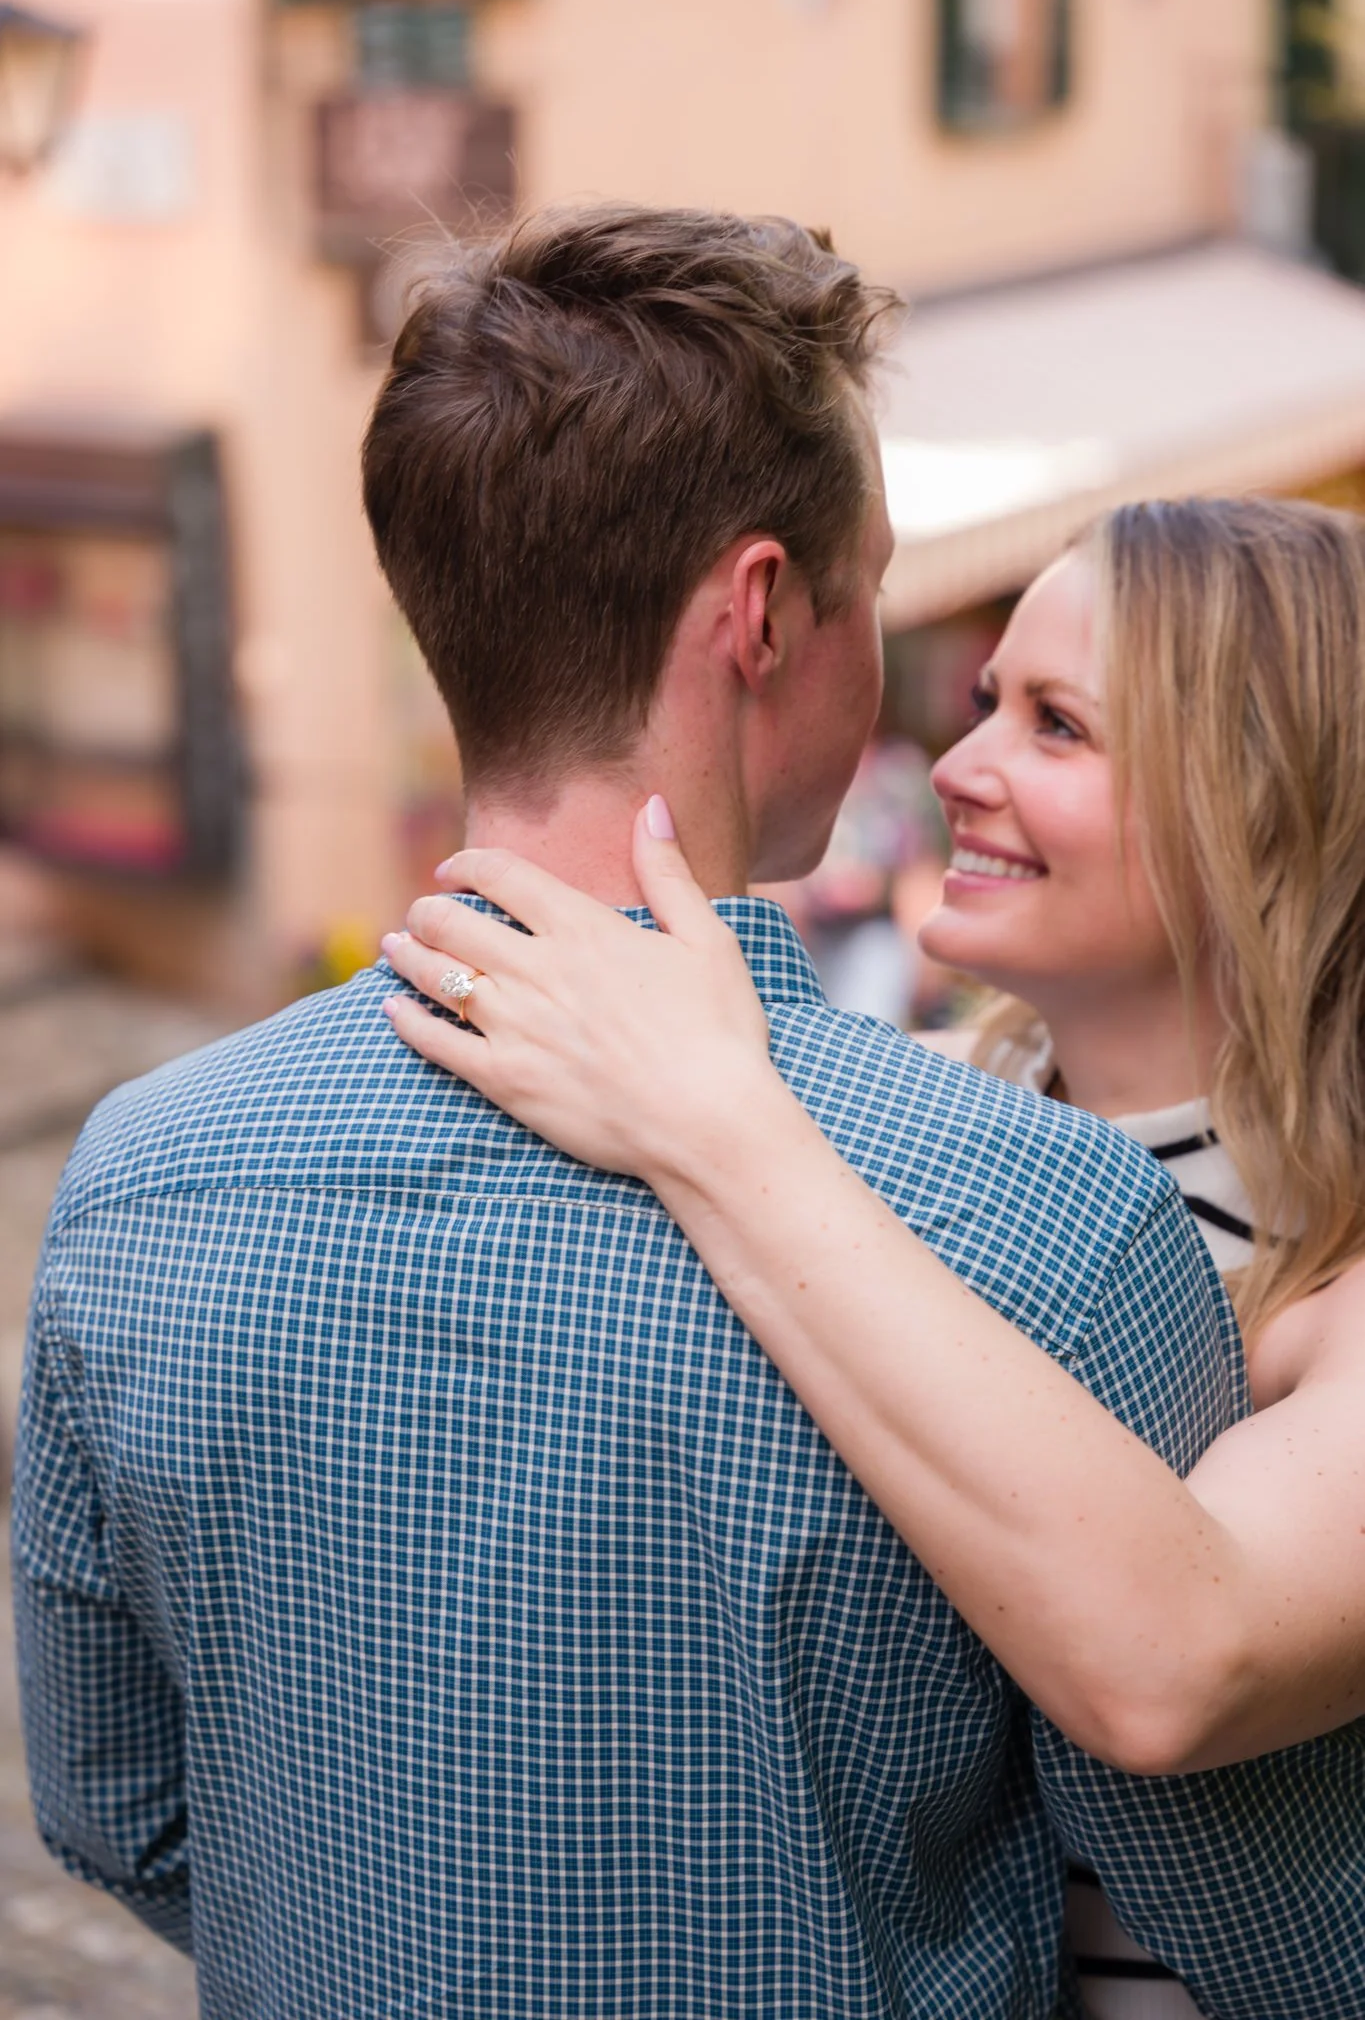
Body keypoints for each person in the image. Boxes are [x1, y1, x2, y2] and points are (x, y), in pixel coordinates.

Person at [8, 209, 1352, 2020]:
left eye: (1053, 723)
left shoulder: (144, 1177)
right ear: (765, 611)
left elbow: (121, 1807)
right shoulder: (1051, 1224)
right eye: (887, 602)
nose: (949, 758)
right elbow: (1245, 1906)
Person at [381, 493, 1365, 2019]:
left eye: (1059, 727)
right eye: (988, 708)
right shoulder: (878, 1138)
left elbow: (1179, 1660)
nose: (960, 771)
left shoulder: (1340, 1265)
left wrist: (716, 1125)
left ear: (1275, 791)